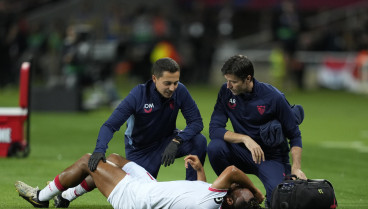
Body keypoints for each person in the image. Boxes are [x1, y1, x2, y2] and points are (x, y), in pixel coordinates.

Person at [51, 57, 207, 207]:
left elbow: (196, 122)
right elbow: (110, 125)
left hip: (167, 140)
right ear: (154, 79)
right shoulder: (138, 95)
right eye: (167, 83)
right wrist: (100, 150)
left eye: (176, 82)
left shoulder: (180, 91)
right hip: (140, 150)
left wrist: (177, 140)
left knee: (198, 141)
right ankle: (69, 194)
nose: (173, 88)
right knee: (134, 190)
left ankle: (192, 193)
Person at [207, 54, 307, 207]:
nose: (228, 86)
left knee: (279, 200)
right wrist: (245, 139)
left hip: (272, 158)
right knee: (215, 147)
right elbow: (214, 129)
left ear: (248, 78)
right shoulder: (226, 92)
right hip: (243, 152)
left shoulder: (274, 97)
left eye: (233, 82)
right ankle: (236, 190)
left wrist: (296, 168)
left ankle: (271, 193)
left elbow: (295, 135)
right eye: (227, 80)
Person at [15, 154, 265, 209]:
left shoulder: (215, 199)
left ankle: (41, 198)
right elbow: (198, 192)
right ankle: (66, 198)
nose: (240, 186)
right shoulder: (216, 201)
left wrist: (255, 189)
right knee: (113, 160)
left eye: (241, 191)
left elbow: (232, 170)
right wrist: (200, 171)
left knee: (88, 163)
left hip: (135, 197)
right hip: (149, 188)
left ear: (229, 198)